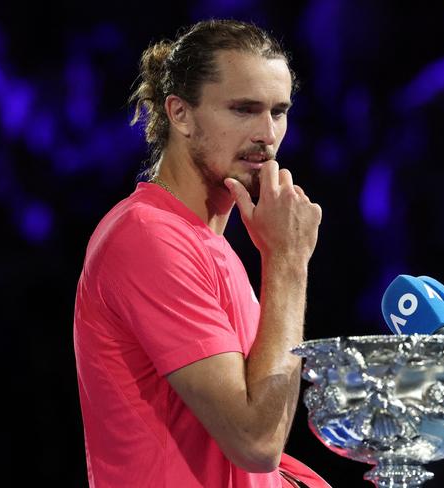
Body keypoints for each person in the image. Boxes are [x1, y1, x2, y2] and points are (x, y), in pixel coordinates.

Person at [73, 19, 329, 487]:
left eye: (278, 111)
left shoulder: (207, 244)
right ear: (180, 114)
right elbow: (255, 442)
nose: (266, 134)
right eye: (243, 109)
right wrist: (288, 262)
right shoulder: (147, 236)